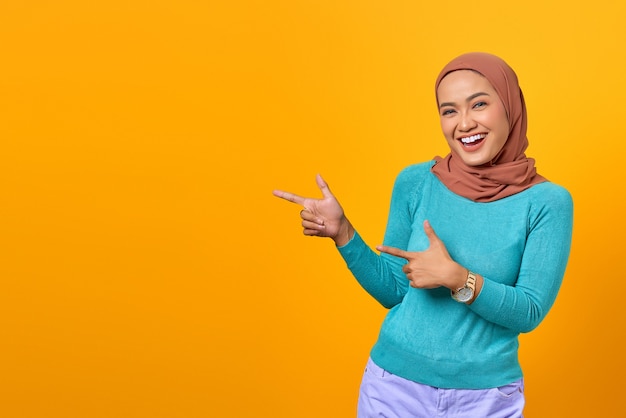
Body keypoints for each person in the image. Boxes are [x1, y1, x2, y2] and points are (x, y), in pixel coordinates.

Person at [272, 52, 573, 418]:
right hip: (393, 388)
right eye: (449, 111)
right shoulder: (416, 182)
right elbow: (394, 290)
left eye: (478, 104)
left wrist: (458, 279)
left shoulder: (547, 203)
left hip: (486, 399)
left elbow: (528, 311)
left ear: (510, 104)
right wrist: (343, 233)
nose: (464, 123)